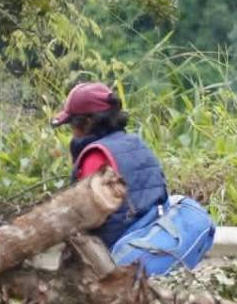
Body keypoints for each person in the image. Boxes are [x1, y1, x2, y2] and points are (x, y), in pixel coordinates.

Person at [52, 82, 169, 249]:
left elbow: (84, 218)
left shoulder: (96, 156)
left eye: (72, 125)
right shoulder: (136, 142)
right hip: (152, 233)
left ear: (87, 123)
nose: (72, 133)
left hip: (118, 246)